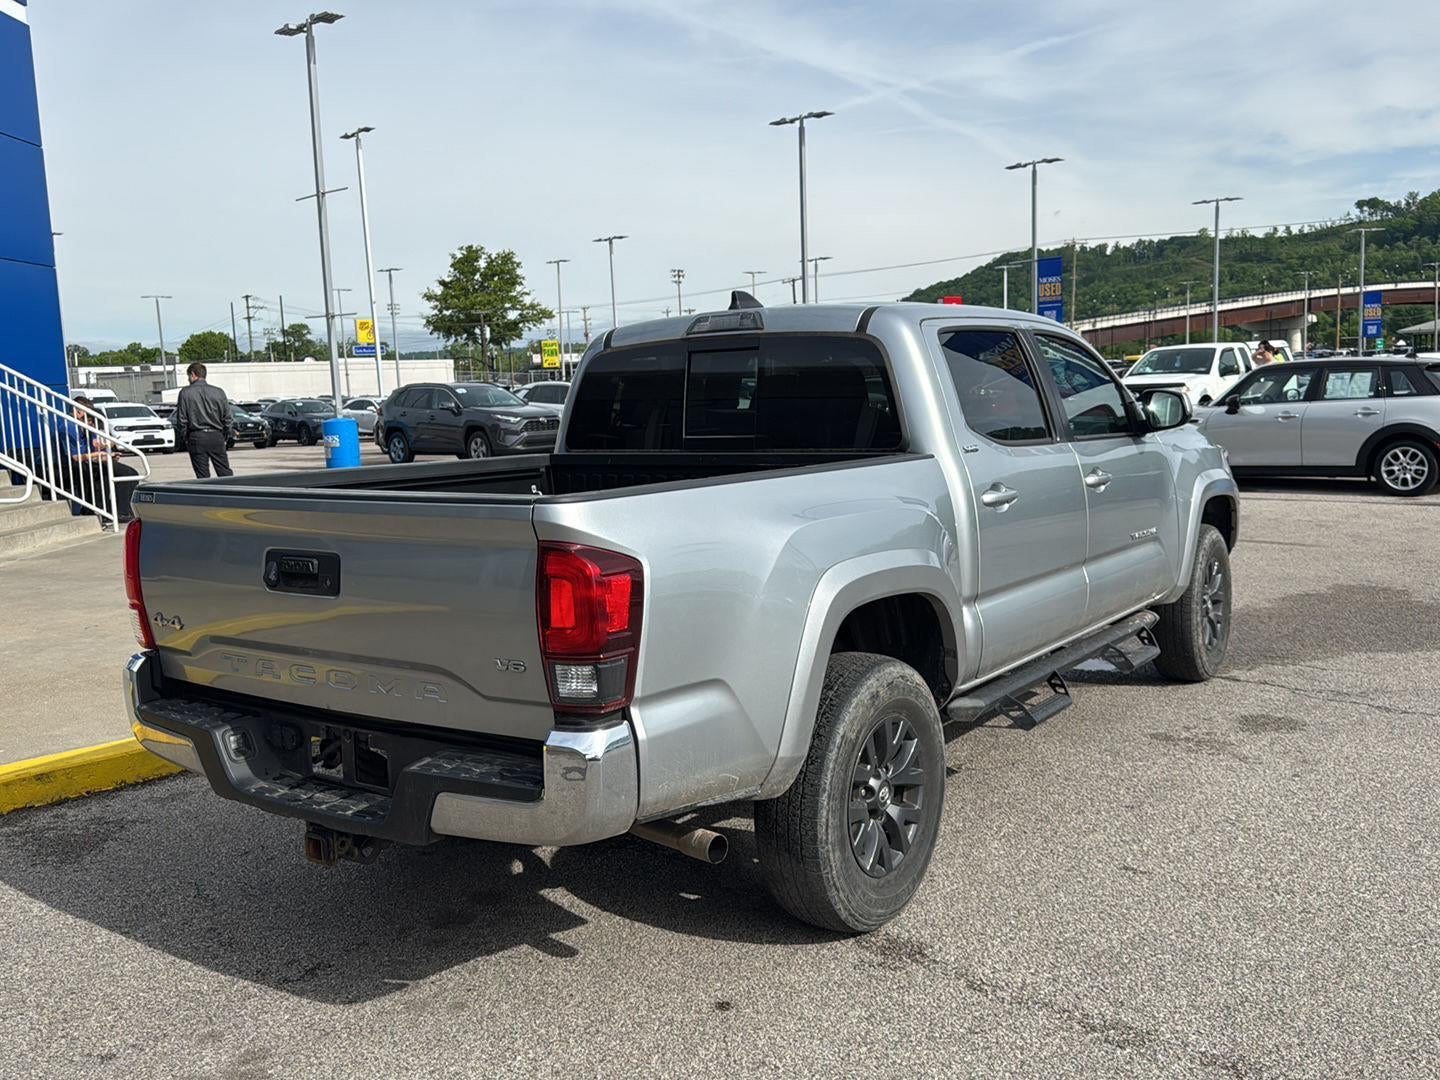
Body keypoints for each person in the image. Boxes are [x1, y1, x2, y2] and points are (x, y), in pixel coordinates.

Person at [59, 396, 139, 521]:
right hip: (73, 465)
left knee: (131, 473)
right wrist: (99, 454)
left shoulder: (86, 427)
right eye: (88, 416)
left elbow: (94, 448)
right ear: (78, 412)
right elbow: (76, 457)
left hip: (88, 461)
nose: (91, 421)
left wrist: (107, 452)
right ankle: (116, 512)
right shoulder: (69, 427)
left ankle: (121, 510)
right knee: (115, 472)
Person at [174, 362, 234, 478]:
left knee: (202, 476)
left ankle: (206, 490)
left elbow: (182, 420)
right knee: (224, 472)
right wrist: (225, 435)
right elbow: (228, 418)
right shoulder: (219, 392)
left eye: (188, 376)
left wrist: (185, 437)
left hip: (196, 436)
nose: (188, 379)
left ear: (193, 374)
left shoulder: (185, 393)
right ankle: (231, 488)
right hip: (216, 436)